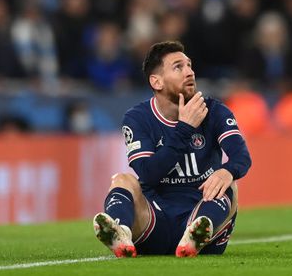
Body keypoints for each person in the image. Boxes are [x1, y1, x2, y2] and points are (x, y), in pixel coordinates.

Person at [93, 41, 252, 257]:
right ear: (156, 81)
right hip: (155, 222)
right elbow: (149, 173)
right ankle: (120, 233)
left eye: (189, 66)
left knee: (230, 183)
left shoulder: (214, 111)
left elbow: (241, 156)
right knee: (122, 180)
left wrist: (227, 170)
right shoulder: (137, 118)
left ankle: (195, 234)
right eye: (178, 67)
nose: (189, 72)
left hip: (203, 212)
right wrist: (184, 129)